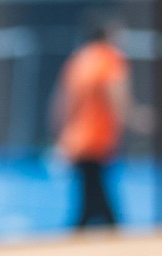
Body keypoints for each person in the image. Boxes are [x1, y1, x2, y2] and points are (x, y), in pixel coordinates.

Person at [53, 18, 132, 229]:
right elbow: (117, 99)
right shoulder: (110, 60)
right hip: (97, 139)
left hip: (76, 139)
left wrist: (61, 136)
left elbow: (61, 102)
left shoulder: (78, 60)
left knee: (91, 197)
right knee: (95, 200)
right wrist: (135, 118)